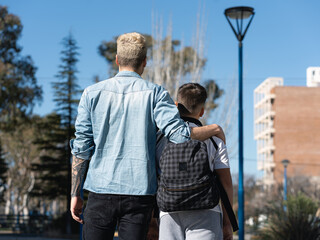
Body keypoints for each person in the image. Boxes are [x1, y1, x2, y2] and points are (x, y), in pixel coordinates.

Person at [69, 32, 225, 240]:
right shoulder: (156, 94)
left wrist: (75, 194)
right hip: (139, 194)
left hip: (100, 190)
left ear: (117, 60)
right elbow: (179, 135)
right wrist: (214, 129)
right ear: (144, 62)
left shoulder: (91, 93)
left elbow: (81, 147)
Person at [156, 83, 234, 240]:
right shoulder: (214, 139)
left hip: (168, 211)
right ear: (202, 111)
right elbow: (225, 183)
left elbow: (152, 179)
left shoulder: (160, 139)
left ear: (176, 106)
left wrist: (151, 220)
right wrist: (228, 222)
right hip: (207, 211)